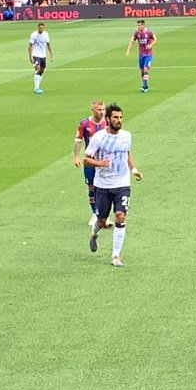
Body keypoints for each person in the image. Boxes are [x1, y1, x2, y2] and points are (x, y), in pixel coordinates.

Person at [83, 103, 143, 268]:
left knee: (120, 216)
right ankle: (94, 234)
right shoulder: (99, 138)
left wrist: (134, 170)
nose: (119, 120)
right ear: (108, 119)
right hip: (102, 185)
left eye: (121, 117)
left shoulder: (126, 136)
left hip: (122, 183)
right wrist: (99, 162)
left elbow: (127, 155)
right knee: (101, 221)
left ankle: (116, 255)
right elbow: (86, 159)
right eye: (115, 117)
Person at [73, 99, 110, 227]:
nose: (102, 112)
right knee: (92, 188)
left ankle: (104, 215)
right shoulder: (84, 124)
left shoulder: (108, 122)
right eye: (99, 110)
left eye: (104, 109)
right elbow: (78, 140)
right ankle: (95, 213)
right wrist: (76, 156)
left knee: (104, 188)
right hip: (90, 162)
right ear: (93, 110)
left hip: (105, 162)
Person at [125, 20, 156, 93]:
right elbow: (132, 41)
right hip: (141, 54)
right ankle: (144, 84)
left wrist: (151, 45)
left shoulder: (148, 32)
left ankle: (145, 87)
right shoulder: (136, 33)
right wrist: (128, 50)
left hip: (148, 54)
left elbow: (155, 39)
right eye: (137, 25)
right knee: (142, 71)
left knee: (146, 69)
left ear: (143, 25)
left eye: (139, 25)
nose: (138, 27)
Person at [27, 22, 53, 94]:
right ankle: (36, 87)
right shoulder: (34, 35)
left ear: (44, 28)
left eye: (42, 28)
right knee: (38, 68)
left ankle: (38, 86)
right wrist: (30, 57)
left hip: (43, 55)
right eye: (40, 28)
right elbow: (30, 46)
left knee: (42, 70)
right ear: (38, 28)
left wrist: (51, 54)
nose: (41, 29)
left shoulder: (46, 34)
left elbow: (48, 44)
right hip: (36, 54)